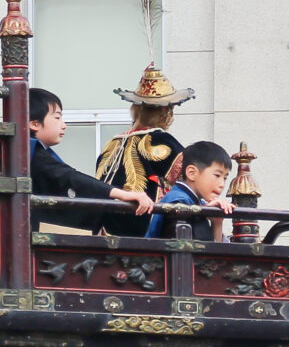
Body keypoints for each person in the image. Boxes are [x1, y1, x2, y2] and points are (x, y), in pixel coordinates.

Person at [25, 88, 153, 222]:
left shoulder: (31, 151)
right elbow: (70, 177)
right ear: (35, 124)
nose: (63, 125)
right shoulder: (31, 152)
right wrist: (122, 194)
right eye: (57, 117)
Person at [94, 65, 189, 234]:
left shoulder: (112, 143)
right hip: (143, 232)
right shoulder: (165, 141)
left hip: (103, 230)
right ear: (165, 111)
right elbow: (188, 184)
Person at [145, 141, 235, 241]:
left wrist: (217, 222)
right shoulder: (179, 201)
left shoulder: (199, 202)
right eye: (217, 175)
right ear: (192, 173)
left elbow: (213, 254)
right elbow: (202, 251)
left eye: (225, 178)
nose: (222, 184)